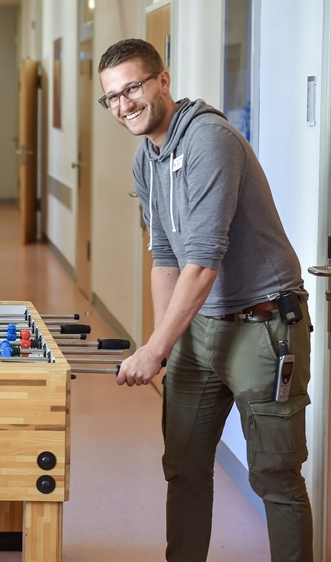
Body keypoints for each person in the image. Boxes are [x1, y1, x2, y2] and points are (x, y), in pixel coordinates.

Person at [99, 39, 313, 562]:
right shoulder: (145, 157)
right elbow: (166, 257)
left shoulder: (208, 140)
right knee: (185, 465)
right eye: (112, 97)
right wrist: (162, 343)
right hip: (200, 327)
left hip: (262, 326)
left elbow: (203, 260)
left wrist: (151, 353)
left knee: (274, 475)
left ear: (163, 81)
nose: (124, 104)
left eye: (133, 87)